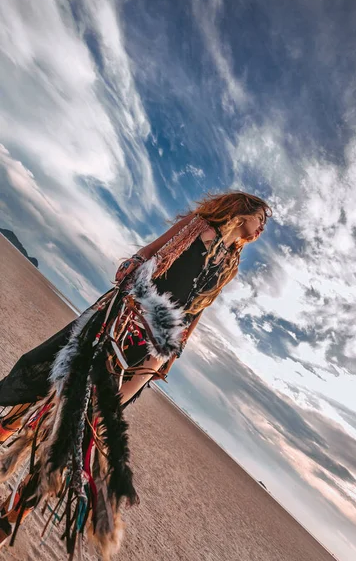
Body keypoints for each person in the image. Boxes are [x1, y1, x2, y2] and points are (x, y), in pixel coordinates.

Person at [0, 191, 271, 557]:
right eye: (262, 219)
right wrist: (132, 268)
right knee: (40, 377)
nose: (263, 228)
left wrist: (171, 353)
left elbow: (194, 311)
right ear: (243, 210)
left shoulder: (231, 264)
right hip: (120, 321)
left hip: (150, 348)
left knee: (84, 429)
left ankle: (11, 514)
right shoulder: (199, 226)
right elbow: (150, 253)